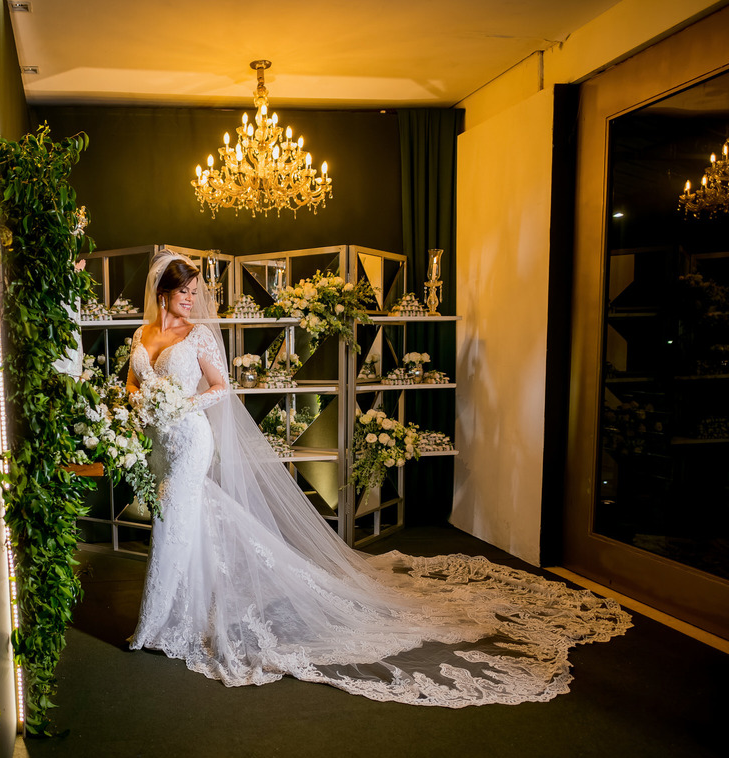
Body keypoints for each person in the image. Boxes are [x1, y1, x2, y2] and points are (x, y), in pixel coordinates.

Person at [124, 250, 631, 706]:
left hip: (190, 439)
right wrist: (140, 403)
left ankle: (156, 625)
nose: (193, 299)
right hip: (160, 445)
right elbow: (131, 383)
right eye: (185, 291)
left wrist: (180, 403)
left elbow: (221, 388)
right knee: (188, 521)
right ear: (163, 292)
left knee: (172, 519)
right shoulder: (141, 336)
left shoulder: (199, 336)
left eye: (196, 291)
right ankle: (183, 612)